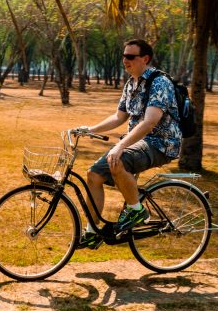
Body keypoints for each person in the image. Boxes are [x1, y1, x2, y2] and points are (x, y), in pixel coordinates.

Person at [75, 39, 181, 249]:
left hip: (161, 144)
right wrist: (90, 129)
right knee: (94, 174)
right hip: (137, 142)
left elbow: (150, 122)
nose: (125, 60)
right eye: (124, 56)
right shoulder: (131, 84)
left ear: (145, 59)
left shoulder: (159, 82)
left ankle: (136, 210)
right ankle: (92, 232)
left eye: (130, 57)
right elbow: (119, 117)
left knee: (118, 160)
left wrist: (120, 146)